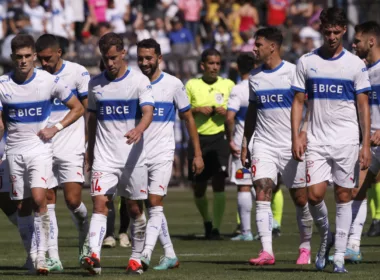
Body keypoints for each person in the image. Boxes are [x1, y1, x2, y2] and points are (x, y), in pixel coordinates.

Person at [291, 8, 371, 273]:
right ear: (321, 29)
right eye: (327, 32)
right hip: (316, 139)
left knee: (344, 194)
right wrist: (297, 134)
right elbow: (299, 102)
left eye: (337, 32)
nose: (332, 37)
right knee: (314, 195)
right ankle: (326, 236)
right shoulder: (306, 61)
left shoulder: (355, 64)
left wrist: (365, 143)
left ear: (344, 31)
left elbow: (363, 106)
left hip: (346, 140)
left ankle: (338, 256)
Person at [0, 34, 84, 275]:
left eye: (28, 56)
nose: (24, 61)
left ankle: (41, 256)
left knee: (40, 199)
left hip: (40, 150)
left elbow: (77, 108)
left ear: (34, 56)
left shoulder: (48, 81)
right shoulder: (3, 85)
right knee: (22, 206)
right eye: (19, 57)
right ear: (12, 57)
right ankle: (32, 255)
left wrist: (55, 128)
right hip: (14, 151)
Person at [82, 32, 154, 275]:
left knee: (135, 209)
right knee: (100, 204)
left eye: (113, 57)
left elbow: (147, 112)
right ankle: (93, 255)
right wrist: (89, 151)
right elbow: (91, 119)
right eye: (105, 58)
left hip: (133, 157)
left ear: (123, 53)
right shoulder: (95, 84)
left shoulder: (139, 81)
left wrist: (139, 129)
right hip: (104, 156)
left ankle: (136, 258)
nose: (110, 63)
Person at [241, 27, 313, 266]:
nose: (254, 48)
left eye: (258, 44)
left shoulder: (294, 72)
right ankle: (267, 251)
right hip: (264, 143)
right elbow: (252, 111)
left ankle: (305, 247)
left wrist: (302, 134)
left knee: (301, 198)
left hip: (291, 144)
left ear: (272, 46)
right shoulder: (255, 77)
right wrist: (245, 142)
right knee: (261, 191)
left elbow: (310, 107)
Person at [137, 38, 204, 270]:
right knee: (146, 205)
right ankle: (170, 254)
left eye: (149, 58)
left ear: (159, 58)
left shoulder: (174, 84)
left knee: (155, 201)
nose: (144, 62)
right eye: (141, 58)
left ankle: (144, 254)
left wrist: (197, 154)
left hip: (163, 152)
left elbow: (188, 118)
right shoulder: (133, 83)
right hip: (137, 154)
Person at [35, 34, 90, 271]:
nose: (44, 63)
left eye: (47, 58)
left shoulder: (78, 73)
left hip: (71, 143)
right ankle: (53, 256)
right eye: (41, 59)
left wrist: (87, 141)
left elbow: (85, 109)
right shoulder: (36, 77)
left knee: (73, 200)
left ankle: (85, 232)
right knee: (48, 201)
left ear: (59, 53)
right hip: (44, 145)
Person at [186, 48, 234, 239]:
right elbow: (183, 111)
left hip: (220, 137)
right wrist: (196, 109)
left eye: (217, 64)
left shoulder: (229, 84)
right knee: (199, 187)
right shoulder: (191, 85)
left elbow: (236, 107)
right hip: (198, 139)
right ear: (203, 66)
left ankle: (215, 227)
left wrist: (227, 111)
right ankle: (206, 221)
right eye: (211, 64)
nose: (215, 67)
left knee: (219, 182)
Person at [342, 21, 380, 260]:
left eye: (357, 41)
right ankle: (353, 246)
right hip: (370, 142)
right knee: (357, 189)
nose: (354, 44)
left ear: (371, 41)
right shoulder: (364, 71)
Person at [225, 52, 257, 241]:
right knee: (262, 185)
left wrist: (230, 139)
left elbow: (229, 117)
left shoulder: (238, 89)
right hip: (262, 141)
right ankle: (268, 227)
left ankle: (246, 232)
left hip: (242, 141)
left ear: (238, 67)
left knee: (244, 185)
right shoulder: (261, 84)